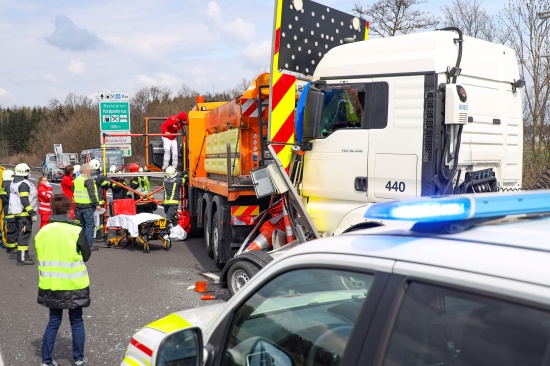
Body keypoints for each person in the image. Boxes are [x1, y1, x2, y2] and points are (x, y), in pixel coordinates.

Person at [36, 194, 91, 366]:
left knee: (53, 321)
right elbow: (86, 255)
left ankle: (46, 360)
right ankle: (79, 359)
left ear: (53, 209)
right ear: (68, 210)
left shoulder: (42, 232)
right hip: (75, 284)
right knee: (76, 321)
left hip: (51, 284)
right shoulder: (75, 231)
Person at [7, 163, 38, 265]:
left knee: (21, 235)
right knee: (24, 236)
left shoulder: (14, 182)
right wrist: (32, 213)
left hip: (17, 213)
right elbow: (24, 201)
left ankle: (23, 257)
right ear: (25, 173)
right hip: (24, 215)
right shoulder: (23, 184)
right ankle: (23, 259)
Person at [73, 163, 101, 251]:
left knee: (81, 226)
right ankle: (89, 245)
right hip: (87, 206)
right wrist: (96, 204)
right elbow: (91, 193)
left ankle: (81, 244)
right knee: (89, 226)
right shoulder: (88, 180)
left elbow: (73, 191)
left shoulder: (76, 179)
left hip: (78, 206)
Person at [89, 159, 110, 240]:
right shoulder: (99, 177)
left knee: (92, 218)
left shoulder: (87, 176)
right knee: (100, 219)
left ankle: (92, 234)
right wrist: (107, 179)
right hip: (99, 201)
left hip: (90, 201)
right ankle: (99, 234)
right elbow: (107, 185)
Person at [1, 169, 14, 250]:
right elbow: (12, 198)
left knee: (8, 226)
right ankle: (11, 246)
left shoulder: (3, 185)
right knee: (12, 227)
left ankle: (9, 244)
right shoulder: (9, 185)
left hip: (5, 207)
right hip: (10, 208)